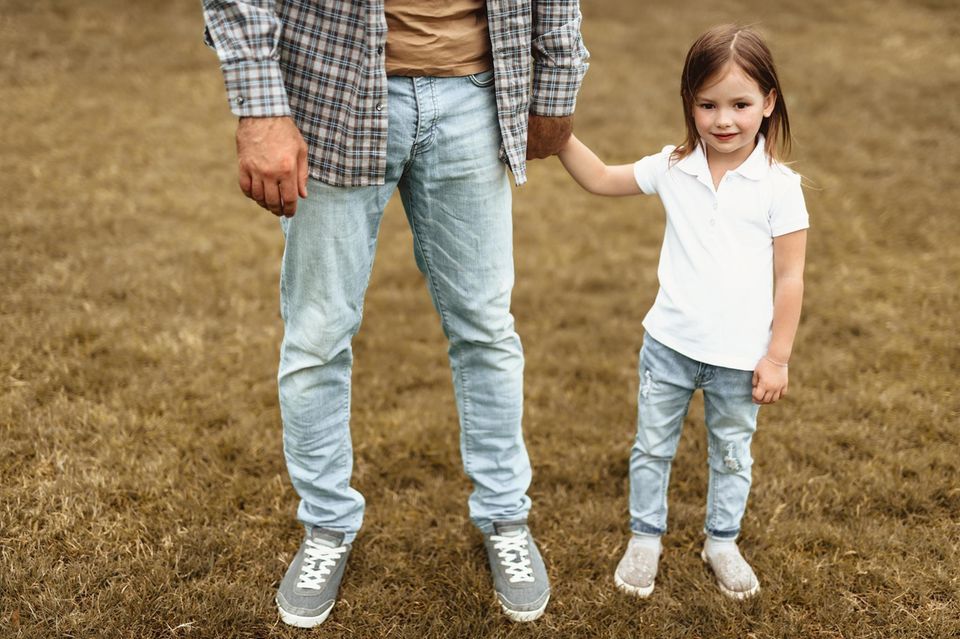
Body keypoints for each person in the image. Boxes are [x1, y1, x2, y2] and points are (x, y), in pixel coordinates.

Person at [200, 0, 589, 628]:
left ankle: (504, 515)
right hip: (333, 90)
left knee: (487, 327)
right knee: (319, 331)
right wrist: (260, 107)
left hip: (477, 92)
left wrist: (559, 72)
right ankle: (326, 525)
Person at [557, 25, 808, 600]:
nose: (725, 120)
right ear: (689, 105)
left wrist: (778, 358)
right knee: (652, 446)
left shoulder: (779, 187)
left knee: (730, 451)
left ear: (768, 103)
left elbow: (790, 277)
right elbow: (600, 179)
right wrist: (557, 134)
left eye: (741, 104)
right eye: (708, 104)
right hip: (667, 346)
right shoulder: (674, 168)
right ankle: (644, 537)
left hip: (741, 360)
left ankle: (721, 541)